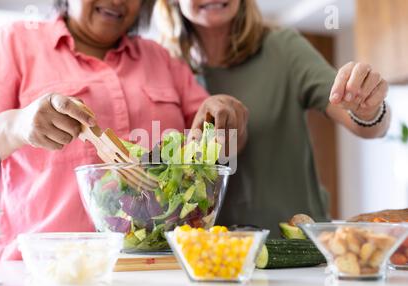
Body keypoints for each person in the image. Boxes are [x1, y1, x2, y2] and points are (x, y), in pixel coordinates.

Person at [0, 0, 248, 260]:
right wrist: (17, 125)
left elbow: (221, 147)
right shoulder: (14, 43)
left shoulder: (161, 59)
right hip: (49, 269)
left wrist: (224, 117)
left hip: (160, 269)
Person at [156, 0, 391, 236]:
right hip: (211, 255)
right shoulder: (163, 68)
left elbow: (365, 123)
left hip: (300, 251)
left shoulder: (284, 48)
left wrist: (369, 109)